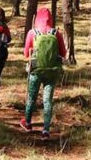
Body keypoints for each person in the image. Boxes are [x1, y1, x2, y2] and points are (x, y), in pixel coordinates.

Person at [20, 8, 67, 139]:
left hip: (36, 70)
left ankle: (28, 123)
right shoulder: (56, 33)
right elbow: (63, 53)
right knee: (47, 100)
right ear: (50, 19)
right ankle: (46, 130)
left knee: (31, 97)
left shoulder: (32, 32)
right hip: (52, 71)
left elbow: (26, 53)